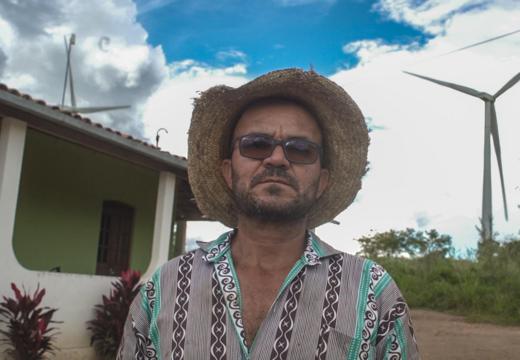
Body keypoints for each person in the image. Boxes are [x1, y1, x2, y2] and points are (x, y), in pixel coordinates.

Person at [117, 69, 420, 359]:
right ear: (227, 171)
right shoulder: (165, 286)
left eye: (300, 149)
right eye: (257, 145)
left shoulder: (373, 293)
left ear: (322, 182)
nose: (277, 159)